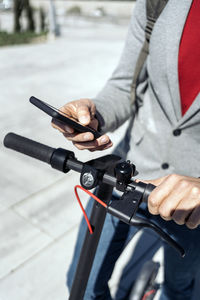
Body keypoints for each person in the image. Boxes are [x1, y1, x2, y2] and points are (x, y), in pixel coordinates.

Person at [52, 0, 200, 299]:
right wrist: (93, 117)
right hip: (127, 176)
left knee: (179, 288)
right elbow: (124, 86)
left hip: (191, 204)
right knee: (83, 285)